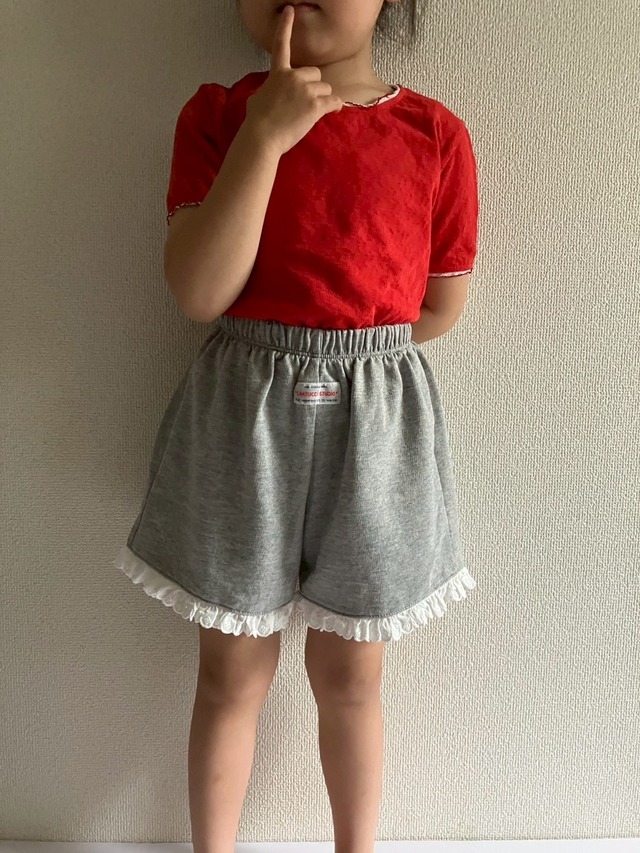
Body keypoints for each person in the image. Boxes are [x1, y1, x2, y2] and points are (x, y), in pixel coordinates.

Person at [113, 1, 479, 851]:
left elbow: (439, 303)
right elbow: (199, 291)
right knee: (230, 671)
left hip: (376, 425)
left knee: (353, 671)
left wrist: (355, 358)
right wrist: (264, 137)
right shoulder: (218, 116)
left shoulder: (434, 135)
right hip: (243, 423)